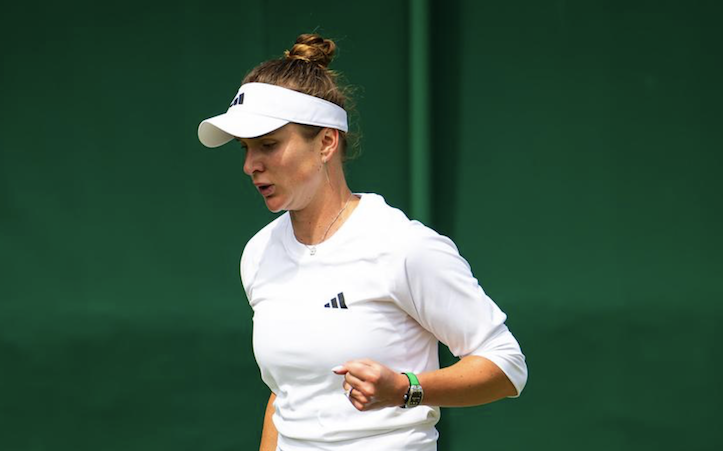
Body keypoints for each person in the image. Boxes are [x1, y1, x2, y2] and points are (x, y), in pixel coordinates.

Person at [197, 34, 528, 451]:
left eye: (268, 145)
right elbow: (286, 396)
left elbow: (506, 365)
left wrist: (406, 389)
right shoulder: (258, 254)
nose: (250, 165)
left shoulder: (404, 246)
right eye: (245, 149)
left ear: (326, 143)